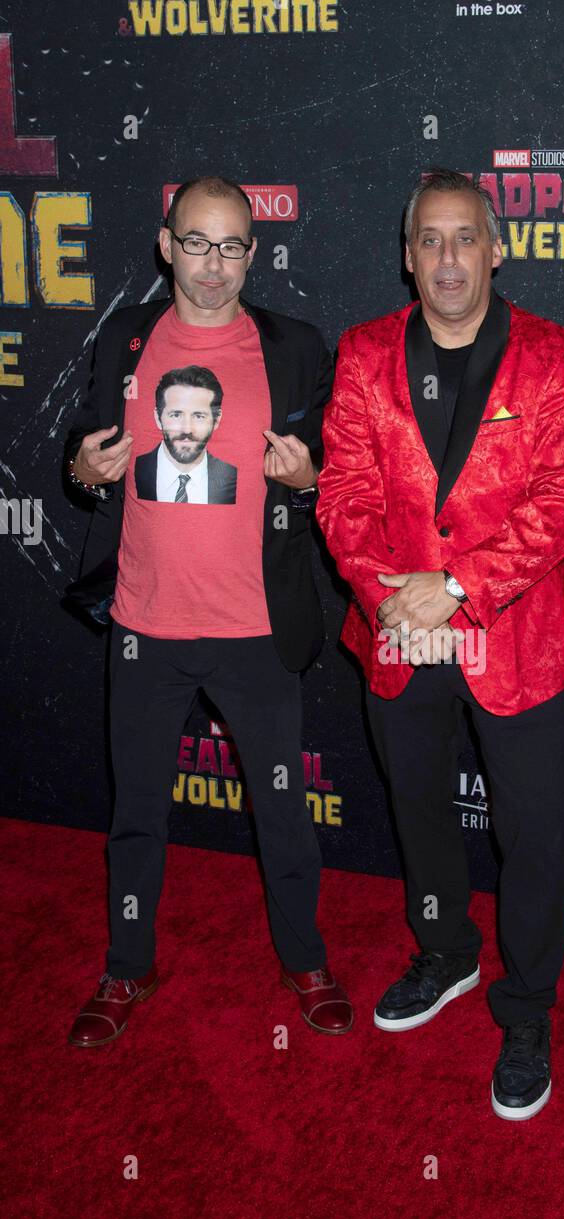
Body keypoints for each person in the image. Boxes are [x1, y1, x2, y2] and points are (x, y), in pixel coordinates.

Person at [317, 168, 564, 1120]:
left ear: (496, 247)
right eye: (428, 241)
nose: (446, 258)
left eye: (464, 238)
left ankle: (525, 1012)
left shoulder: (558, 360)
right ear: (407, 256)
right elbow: (343, 493)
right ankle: (444, 951)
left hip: (513, 639)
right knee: (420, 810)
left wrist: (462, 588)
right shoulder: (361, 355)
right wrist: (392, 598)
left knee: (533, 837)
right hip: (398, 631)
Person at [64, 175, 353, 1046]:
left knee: (283, 814)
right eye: (197, 242)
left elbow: (335, 471)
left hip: (255, 631)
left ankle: (305, 959)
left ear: (253, 254)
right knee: (137, 813)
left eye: (232, 246)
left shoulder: (295, 346)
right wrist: (85, 472)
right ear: (166, 244)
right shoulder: (124, 335)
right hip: (146, 623)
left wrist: (308, 484)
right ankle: (126, 967)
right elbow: (82, 463)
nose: (214, 264)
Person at [134, 366, 237, 504]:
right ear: (158, 418)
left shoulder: (231, 475)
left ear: (216, 420)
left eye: (199, 416)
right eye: (176, 415)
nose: (187, 430)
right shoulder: (132, 469)